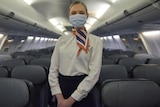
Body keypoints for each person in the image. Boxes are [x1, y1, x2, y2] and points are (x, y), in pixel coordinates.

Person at [48, 1, 102, 107]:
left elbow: (94, 74)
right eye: (74, 13)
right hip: (62, 89)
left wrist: (70, 101)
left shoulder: (96, 41)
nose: (77, 15)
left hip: (83, 88)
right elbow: (53, 70)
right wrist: (59, 97)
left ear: (86, 15)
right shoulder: (61, 40)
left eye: (81, 12)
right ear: (69, 16)